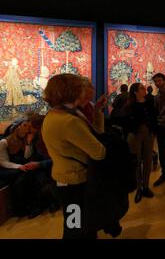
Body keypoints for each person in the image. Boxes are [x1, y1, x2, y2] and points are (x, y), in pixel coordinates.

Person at [42, 74, 106, 239]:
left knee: (77, 224)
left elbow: (95, 134)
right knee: (77, 228)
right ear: (73, 91)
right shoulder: (69, 121)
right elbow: (98, 152)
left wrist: (97, 111)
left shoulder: (56, 114)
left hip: (65, 179)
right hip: (74, 183)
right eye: (81, 87)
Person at [0, 114, 56, 218]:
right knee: (23, 179)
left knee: (38, 175)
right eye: (25, 126)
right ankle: (27, 208)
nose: (28, 130)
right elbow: (4, 162)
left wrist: (29, 143)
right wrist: (19, 167)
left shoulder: (31, 138)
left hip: (28, 165)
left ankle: (44, 203)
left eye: (29, 127)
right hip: (12, 169)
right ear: (17, 127)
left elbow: (27, 157)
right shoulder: (4, 142)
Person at [122, 83, 156, 203]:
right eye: (141, 88)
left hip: (149, 134)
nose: (144, 89)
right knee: (137, 161)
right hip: (135, 135)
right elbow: (125, 122)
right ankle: (139, 187)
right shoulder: (129, 105)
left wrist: (152, 130)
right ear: (135, 91)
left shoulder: (149, 102)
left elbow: (153, 116)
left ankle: (146, 186)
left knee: (147, 160)